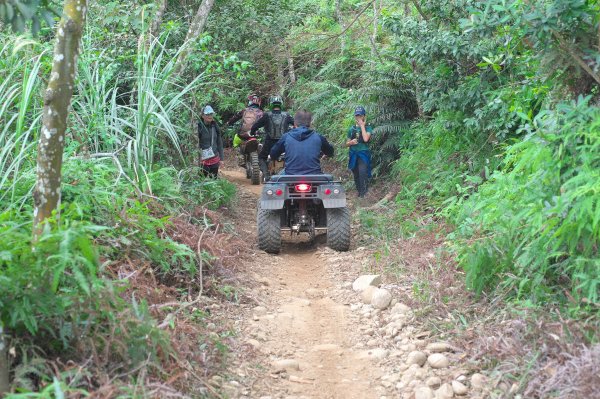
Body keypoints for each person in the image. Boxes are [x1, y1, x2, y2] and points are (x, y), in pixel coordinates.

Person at [270, 110, 334, 175]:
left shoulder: (286, 137)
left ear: (294, 123)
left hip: (290, 176)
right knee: (329, 180)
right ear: (310, 123)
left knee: (276, 181)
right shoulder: (318, 137)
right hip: (314, 176)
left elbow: (273, 154)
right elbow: (330, 152)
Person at [251, 95, 294, 180]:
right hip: (284, 143)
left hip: (269, 142)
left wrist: (253, 132)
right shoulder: (287, 115)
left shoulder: (267, 115)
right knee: (291, 156)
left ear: (271, 104)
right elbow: (296, 125)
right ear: (281, 104)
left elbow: (255, 126)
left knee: (261, 158)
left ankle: (266, 175)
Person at [227, 94, 264, 166]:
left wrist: (229, 123)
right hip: (256, 135)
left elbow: (235, 118)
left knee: (236, 140)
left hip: (243, 135)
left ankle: (240, 157)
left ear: (250, 102)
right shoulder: (261, 112)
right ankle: (261, 157)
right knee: (262, 142)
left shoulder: (244, 111)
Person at [346, 106, 373, 197]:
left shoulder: (368, 128)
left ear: (364, 116)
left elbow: (365, 139)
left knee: (363, 172)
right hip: (353, 153)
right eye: (357, 116)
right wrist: (351, 142)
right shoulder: (351, 129)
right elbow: (346, 144)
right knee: (356, 173)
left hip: (363, 153)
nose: (358, 118)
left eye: (360, 116)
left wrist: (362, 126)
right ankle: (359, 191)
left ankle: (364, 194)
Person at [198, 105, 224, 178]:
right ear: (202, 116)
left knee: (213, 179)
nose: (210, 116)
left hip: (214, 158)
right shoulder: (199, 127)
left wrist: (221, 158)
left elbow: (219, 142)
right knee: (202, 178)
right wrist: (198, 157)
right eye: (207, 114)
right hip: (203, 159)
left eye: (211, 114)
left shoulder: (215, 126)